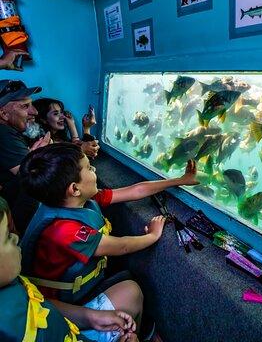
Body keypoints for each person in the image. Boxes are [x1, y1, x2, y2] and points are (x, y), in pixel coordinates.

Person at [19, 143, 198, 340]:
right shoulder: (65, 232)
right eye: (88, 167)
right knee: (133, 291)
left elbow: (135, 190)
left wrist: (179, 180)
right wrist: (152, 236)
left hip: (79, 289)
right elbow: (122, 246)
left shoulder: (77, 200)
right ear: (75, 188)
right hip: (60, 307)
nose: (94, 169)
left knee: (129, 281)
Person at [0, 196, 139, 342]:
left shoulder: (10, 280)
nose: (16, 238)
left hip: (67, 327)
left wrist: (91, 317)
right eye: (7, 237)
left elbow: (40, 305)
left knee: (131, 292)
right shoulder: (11, 331)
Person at [0, 79, 51, 233]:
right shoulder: (3, 133)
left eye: (32, 104)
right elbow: (32, 177)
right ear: (3, 113)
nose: (34, 112)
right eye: (25, 106)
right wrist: (37, 156)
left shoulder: (12, 131)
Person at [32, 97, 99, 158]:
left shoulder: (58, 138)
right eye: (56, 114)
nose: (63, 116)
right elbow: (74, 159)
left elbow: (81, 148)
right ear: (43, 119)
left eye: (61, 112)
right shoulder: (44, 143)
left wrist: (86, 127)